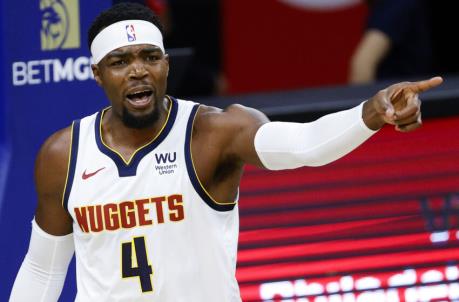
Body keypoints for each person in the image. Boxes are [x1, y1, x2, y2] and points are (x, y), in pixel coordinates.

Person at [9, 3, 442, 301]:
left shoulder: (213, 131)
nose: (138, 69)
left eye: (149, 57)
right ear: (97, 74)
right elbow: (44, 269)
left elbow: (305, 145)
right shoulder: (64, 153)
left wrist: (370, 111)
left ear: (166, 65)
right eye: (120, 61)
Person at [349, 0, 433, 84]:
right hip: (396, 92)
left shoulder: (398, 4)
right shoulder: (393, 6)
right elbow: (363, 65)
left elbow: (363, 63)